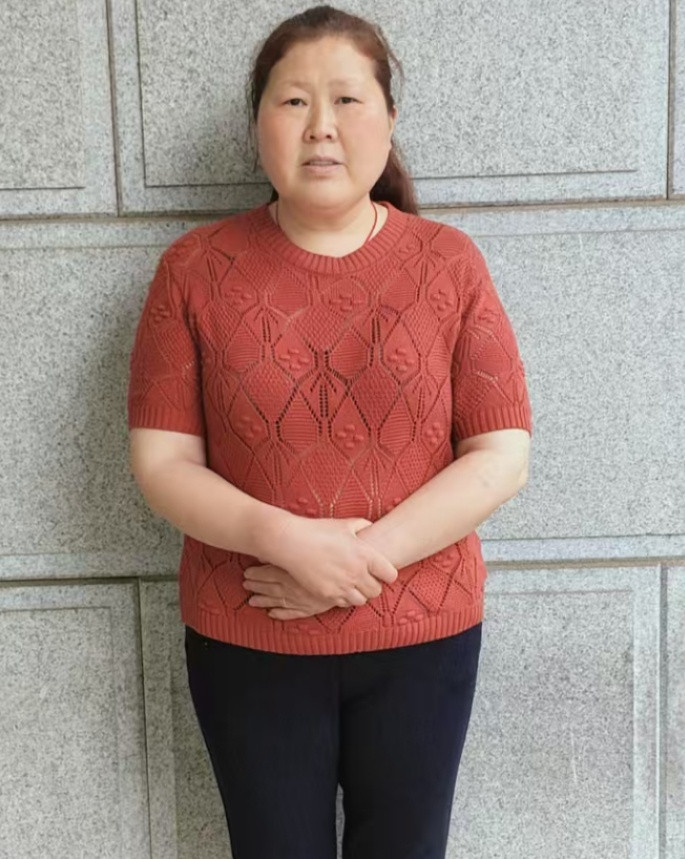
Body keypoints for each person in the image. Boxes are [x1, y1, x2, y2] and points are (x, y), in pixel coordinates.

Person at [126, 5, 533, 858]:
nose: (320, 126)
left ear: (387, 118)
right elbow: (162, 462)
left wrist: (353, 563)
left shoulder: (449, 262)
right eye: (292, 102)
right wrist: (285, 541)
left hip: (422, 637)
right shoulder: (193, 271)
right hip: (248, 634)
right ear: (257, 127)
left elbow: (500, 453)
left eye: (346, 100)